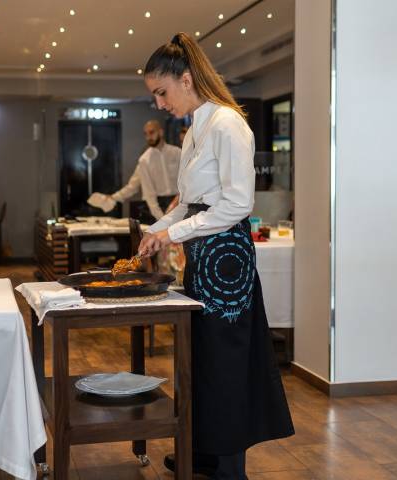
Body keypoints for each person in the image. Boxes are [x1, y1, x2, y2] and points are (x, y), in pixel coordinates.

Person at [138, 33, 294, 479]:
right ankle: (203, 449)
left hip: (227, 256)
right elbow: (189, 202)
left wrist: (176, 233)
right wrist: (157, 231)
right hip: (204, 251)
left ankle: (228, 465)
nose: (160, 104)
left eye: (161, 93)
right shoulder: (193, 131)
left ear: (186, 79)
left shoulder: (227, 124)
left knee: (226, 359)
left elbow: (237, 205)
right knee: (202, 353)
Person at [110, 120, 181, 222]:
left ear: (161, 132)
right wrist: (162, 220)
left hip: (179, 201)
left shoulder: (177, 152)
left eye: (151, 132)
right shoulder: (144, 160)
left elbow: (188, 180)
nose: (148, 137)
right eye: (146, 134)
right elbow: (146, 193)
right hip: (157, 205)